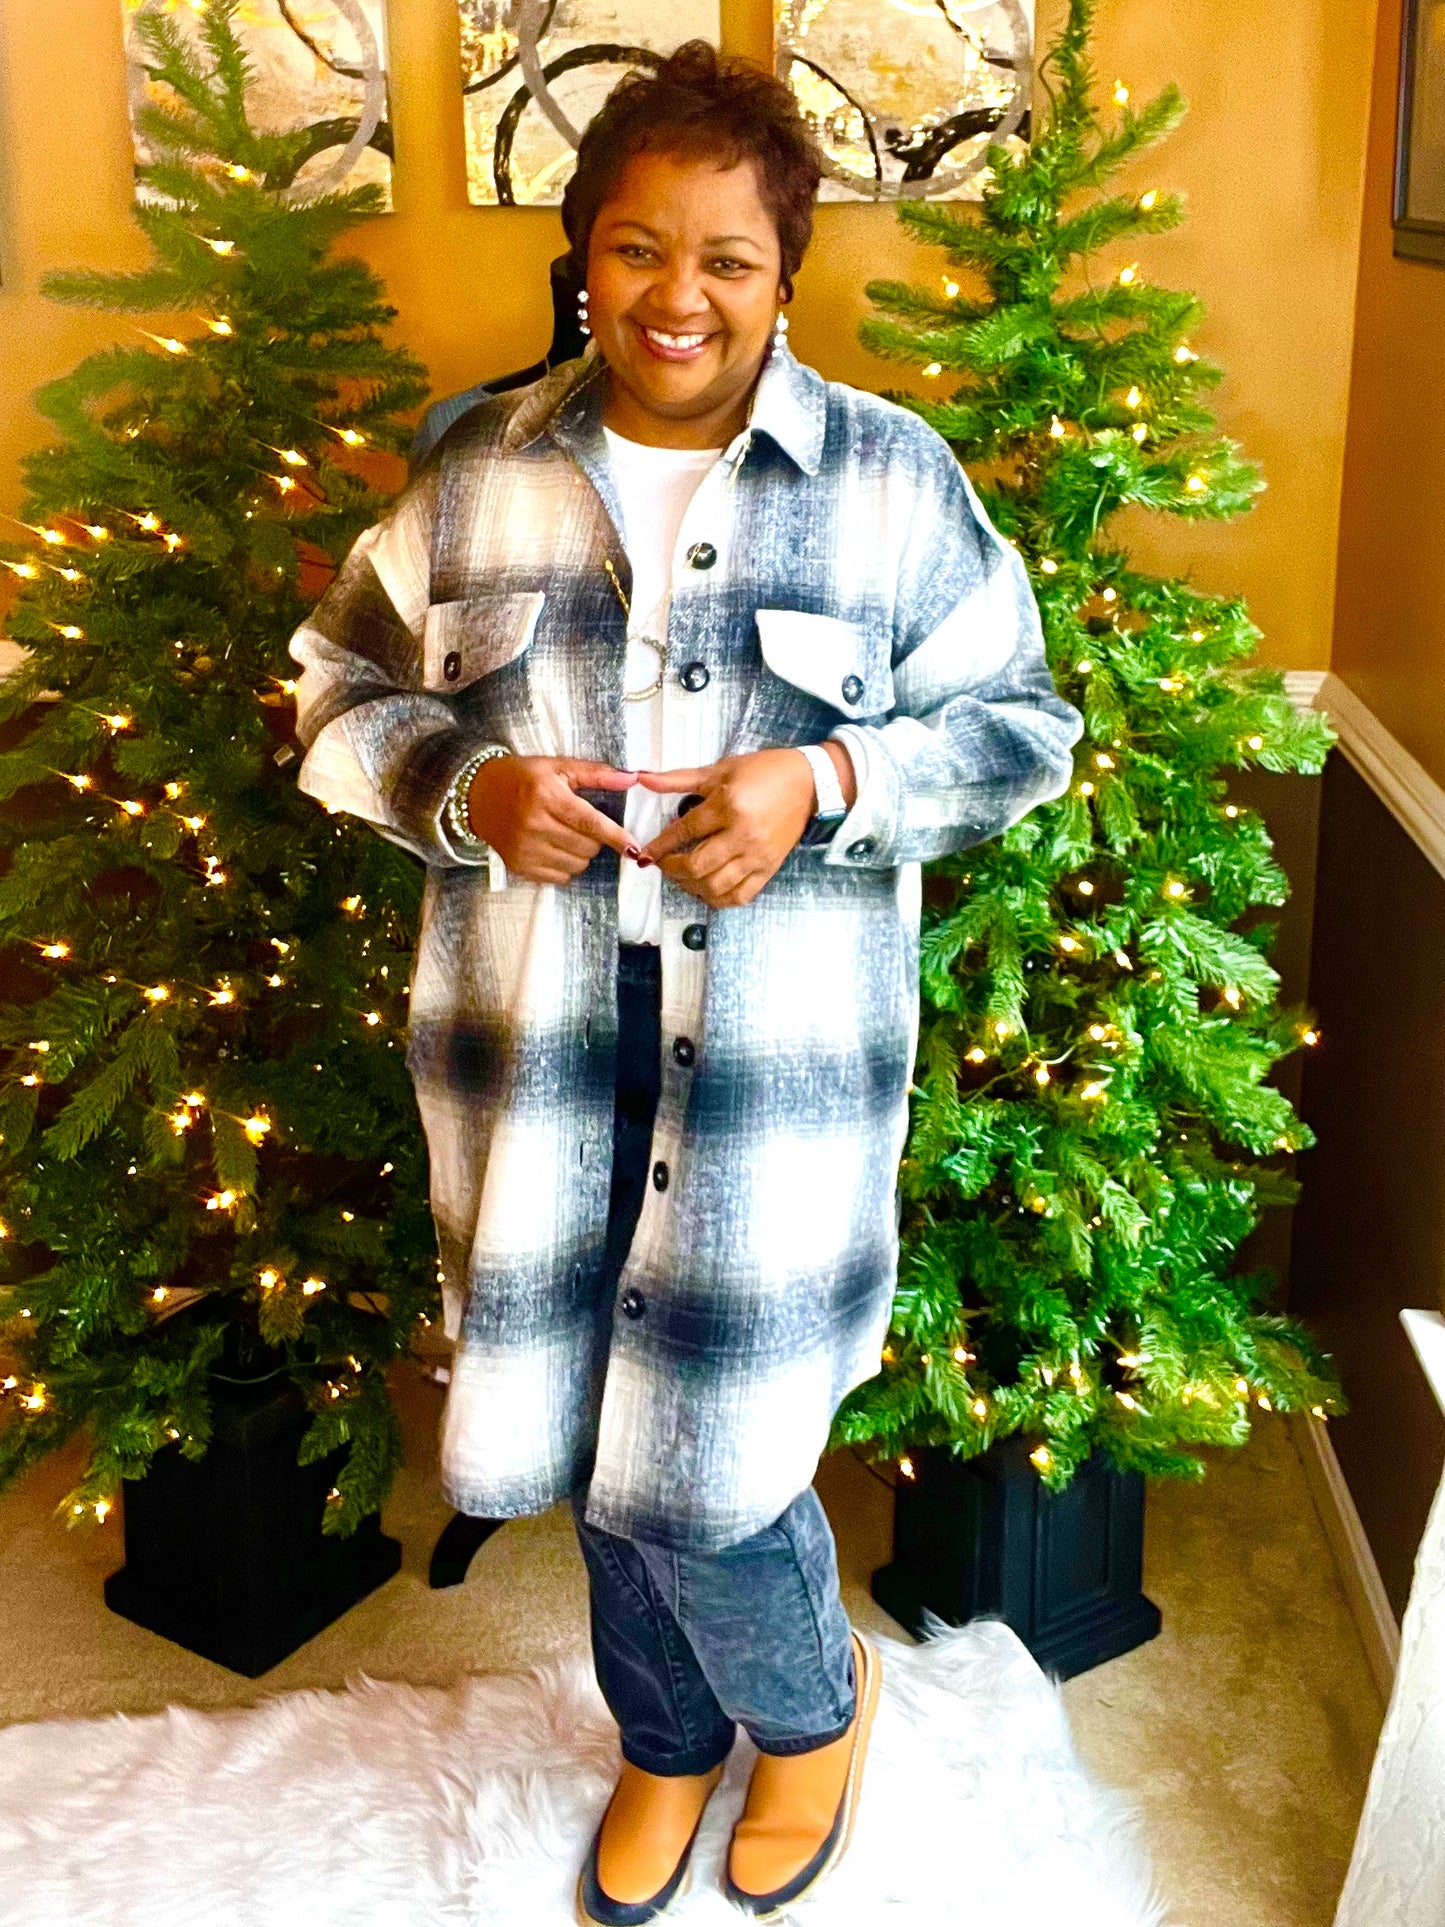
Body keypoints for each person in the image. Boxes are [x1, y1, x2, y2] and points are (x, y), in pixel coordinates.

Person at [288, 41, 1084, 1926]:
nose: (677, 295)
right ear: (584, 255)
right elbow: (334, 689)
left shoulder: (889, 479)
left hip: (774, 1065)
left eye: (726, 257)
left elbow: (1022, 727)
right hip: (535, 1046)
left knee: (714, 1461)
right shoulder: (474, 468)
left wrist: (827, 779)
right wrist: (465, 785)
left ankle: (807, 1716)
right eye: (638, 248)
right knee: (586, 1431)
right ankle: (662, 1740)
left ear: (783, 270)